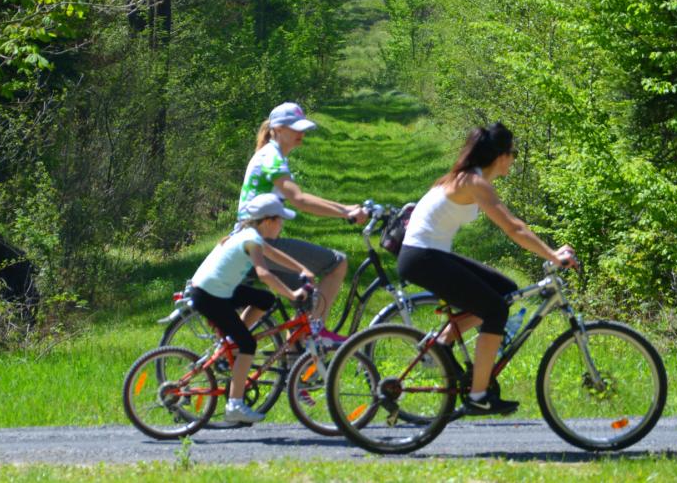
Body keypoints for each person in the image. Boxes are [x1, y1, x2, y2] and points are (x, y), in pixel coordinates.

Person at [397, 122, 575, 416]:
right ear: (501, 156)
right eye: (513, 153)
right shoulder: (473, 182)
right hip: (423, 257)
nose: (513, 159)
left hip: (427, 253)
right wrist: (553, 255)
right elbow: (514, 228)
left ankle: (442, 343)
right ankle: (478, 395)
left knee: (505, 291)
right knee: (496, 310)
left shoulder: (464, 177)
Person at [237, 102, 366, 343]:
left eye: (303, 128)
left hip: (249, 240)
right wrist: (345, 212)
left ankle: (292, 352)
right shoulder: (271, 158)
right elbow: (300, 199)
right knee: (337, 263)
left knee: (304, 294)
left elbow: (300, 197)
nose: (301, 133)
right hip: (259, 243)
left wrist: (346, 209)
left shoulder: (270, 154)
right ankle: (315, 333)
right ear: (277, 129)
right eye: (295, 128)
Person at [190, 193, 311, 423]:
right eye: (280, 220)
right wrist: (292, 294)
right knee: (248, 344)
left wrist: (302, 269)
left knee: (265, 300)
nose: (282, 225)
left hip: (213, 290)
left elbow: (274, 255)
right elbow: (264, 274)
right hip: (210, 296)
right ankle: (235, 404)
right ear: (267, 221)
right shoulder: (252, 240)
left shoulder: (249, 234)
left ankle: (231, 342)